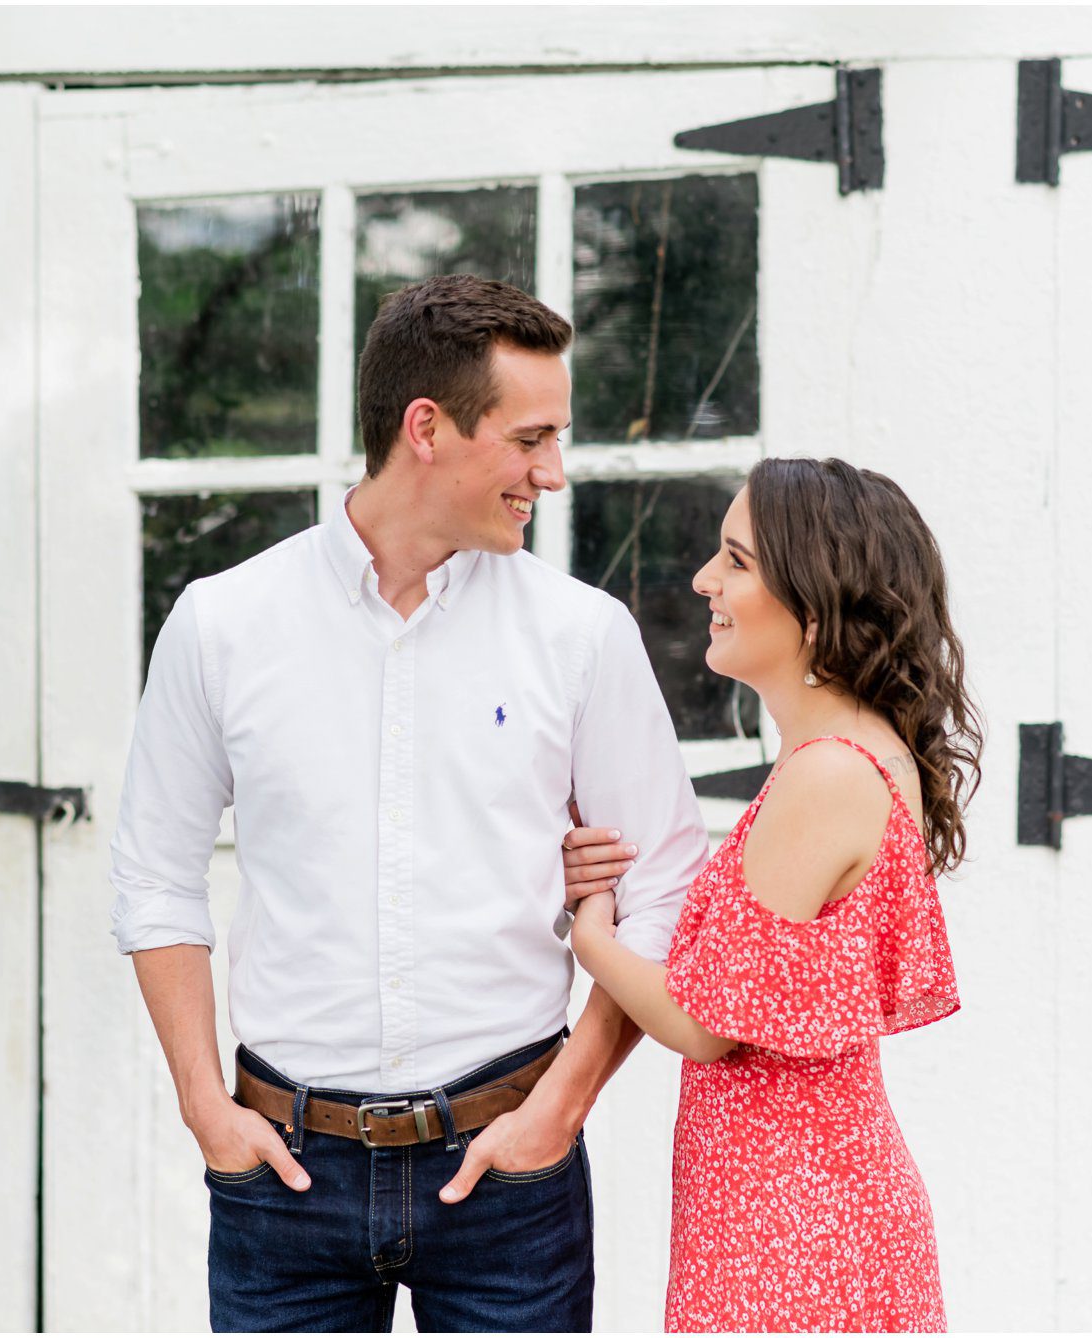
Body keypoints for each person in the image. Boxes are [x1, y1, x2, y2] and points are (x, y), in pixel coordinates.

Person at [108, 274, 711, 1332]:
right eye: (529, 440)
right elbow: (155, 880)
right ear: (424, 427)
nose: (551, 473)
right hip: (280, 1178)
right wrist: (204, 1105)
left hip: (510, 1178)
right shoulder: (222, 625)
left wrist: (561, 1108)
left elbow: (666, 881)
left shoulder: (581, 636)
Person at [560, 457, 982, 1331]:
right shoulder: (850, 753)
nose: (704, 579)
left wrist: (591, 931)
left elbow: (710, 1026)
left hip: (795, 1227)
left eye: (737, 560)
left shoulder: (828, 774)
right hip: (793, 1209)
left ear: (817, 600)